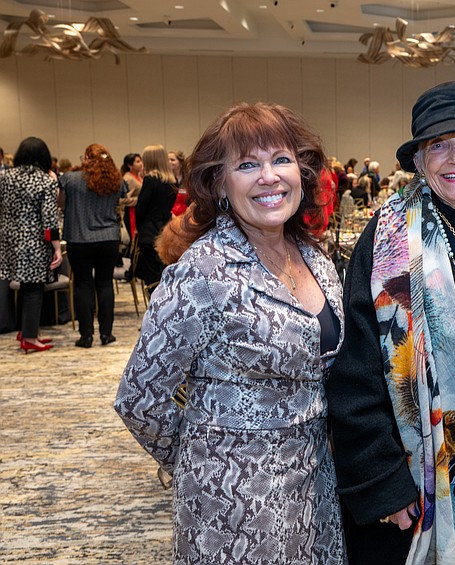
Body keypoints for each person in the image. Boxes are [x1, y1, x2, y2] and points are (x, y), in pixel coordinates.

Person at [114, 102, 346, 563]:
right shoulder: (202, 271)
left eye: (281, 159)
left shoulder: (315, 258)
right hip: (232, 505)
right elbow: (140, 397)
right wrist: (208, 458)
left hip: (317, 490)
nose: (269, 176)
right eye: (246, 165)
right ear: (219, 183)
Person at [326, 81, 455, 565]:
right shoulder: (386, 242)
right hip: (413, 478)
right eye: (438, 145)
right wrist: (384, 482)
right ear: (419, 162)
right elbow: (354, 373)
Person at [59, 143, 126, 348]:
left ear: (87, 158)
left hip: (79, 238)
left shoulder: (70, 179)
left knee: (83, 285)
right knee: (105, 285)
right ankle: (106, 334)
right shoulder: (117, 181)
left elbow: (61, 204)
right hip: (108, 238)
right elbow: (120, 201)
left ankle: (86, 336)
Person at [0, 137, 63, 353]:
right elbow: (49, 218)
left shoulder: (4, 177)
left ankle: (26, 330)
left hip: (8, 239)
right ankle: (29, 337)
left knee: (23, 286)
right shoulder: (45, 181)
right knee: (34, 288)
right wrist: (56, 248)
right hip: (33, 242)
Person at [134, 145, 177, 286]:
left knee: (152, 278)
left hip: (149, 232)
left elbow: (140, 209)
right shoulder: (172, 181)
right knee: (163, 275)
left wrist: (139, 228)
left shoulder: (150, 180)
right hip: (165, 230)